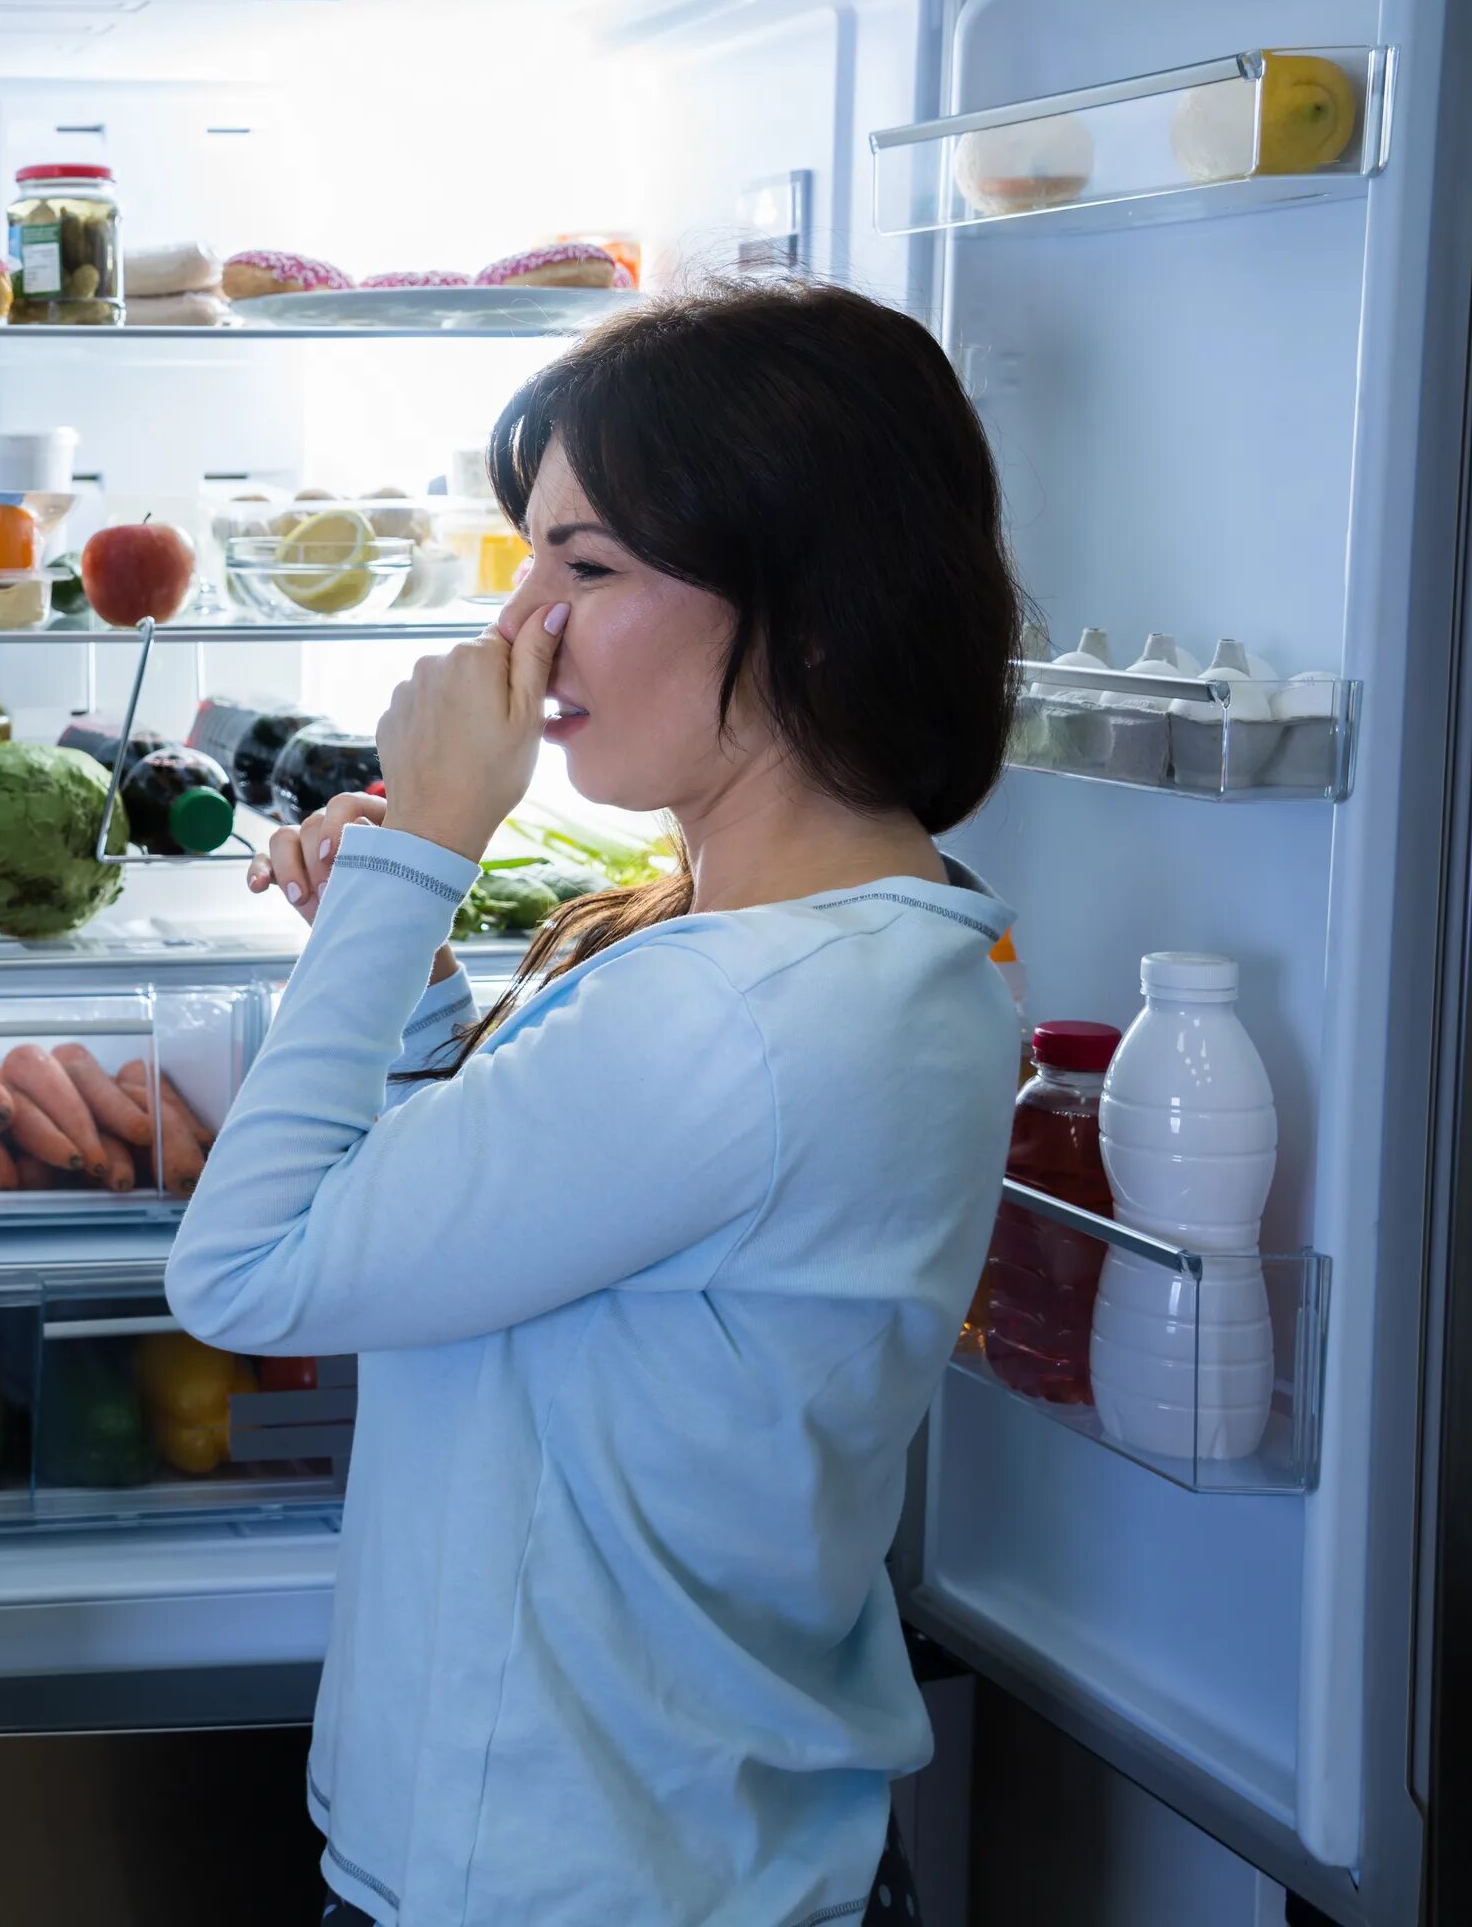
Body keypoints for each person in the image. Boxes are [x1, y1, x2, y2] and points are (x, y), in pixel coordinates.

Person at [166, 277, 1023, 1926]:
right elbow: (502, 1245)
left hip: (577, 1876)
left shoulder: (734, 1014)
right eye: (530, 556)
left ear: (819, 606)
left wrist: (417, 857)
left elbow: (251, 1270)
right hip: (681, 1847)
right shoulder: (855, 947)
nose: (520, 625)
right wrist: (407, 977)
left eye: (591, 565)